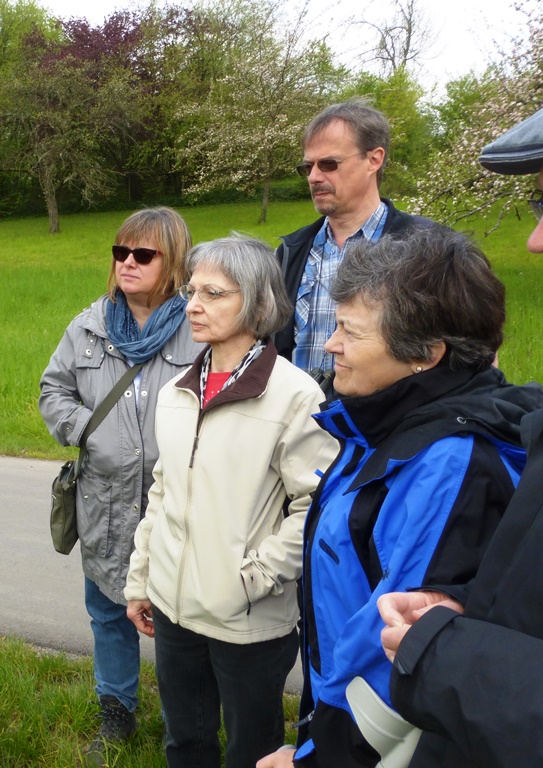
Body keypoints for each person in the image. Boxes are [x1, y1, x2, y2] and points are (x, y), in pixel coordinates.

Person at [258, 228, 543, 768]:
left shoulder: (446, 465)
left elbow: (394, 655)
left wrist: (315, 759)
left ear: (426, 355)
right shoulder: (383, 421)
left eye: (350, 331)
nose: (330, 344)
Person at [123, 235, 338, 768]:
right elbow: (162, 491)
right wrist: (142, 579)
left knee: (252, 751)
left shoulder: (294, 395)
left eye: (214, 294)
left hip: (246, 621)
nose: (193, 306)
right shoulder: (177, 391)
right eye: (192, 291)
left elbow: (315, 505)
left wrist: (253, 579)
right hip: (172, 610)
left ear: (258, 303)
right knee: (185, 743)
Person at [375, 107, 543, 767]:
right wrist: (465, 607)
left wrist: (444, 650)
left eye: (352, 330)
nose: (535, 241)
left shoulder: (453, 455)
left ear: (426, 352)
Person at [39, 206, 201, 762]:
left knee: (182, 615)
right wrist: (90, 431)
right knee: (109, 609)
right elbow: (53, 391)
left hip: (178, 503)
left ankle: (188, 718)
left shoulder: (201, 326)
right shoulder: (89, 325)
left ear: (172, 261)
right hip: (104, 500)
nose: (127, 263)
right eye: (120, 252)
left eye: (143, 254)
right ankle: (116, 709)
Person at [274, 99, 436, 376]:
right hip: (299, 404)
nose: (313, 177)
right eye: (308, 167)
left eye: (329, 164)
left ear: (374, 160)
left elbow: (474, 353)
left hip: (393, 404)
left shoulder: (428, 248)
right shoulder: (290, 252)